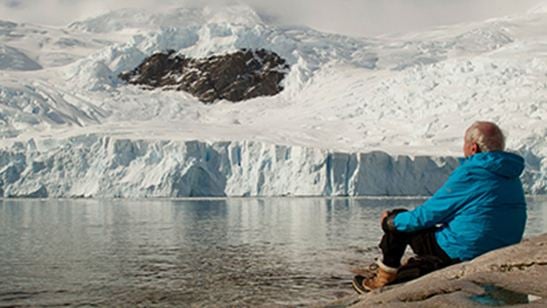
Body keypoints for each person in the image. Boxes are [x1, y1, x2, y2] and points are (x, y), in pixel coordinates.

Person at [354, 121, 527, 292]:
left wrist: (390, 222)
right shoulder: (510, 174)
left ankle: (382, 280)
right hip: (499, 251)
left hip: (463, 253)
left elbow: (427, 215)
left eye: (465, 144)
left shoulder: (471, 172)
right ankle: (417, 267)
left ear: (473, 148)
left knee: (399, 220)